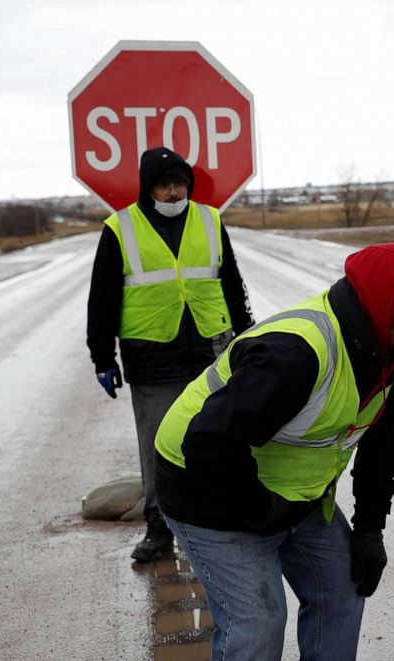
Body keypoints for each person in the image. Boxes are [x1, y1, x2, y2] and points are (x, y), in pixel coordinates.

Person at [154, 243, 394, 661]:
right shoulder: (297, 352)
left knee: (343, 588)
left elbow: (381, 449)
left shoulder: (389, 356)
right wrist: (260, 512)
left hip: (293, 497)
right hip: (207, 489)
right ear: (384, 298)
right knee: (258, 622)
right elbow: (208, 444)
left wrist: (369, 530)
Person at [86, 146, 254, 563]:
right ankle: (159, 530)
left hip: (213, 349)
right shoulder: (120, 228)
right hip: (152, 356)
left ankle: (216, 525)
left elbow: (232, 283)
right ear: (148, 189)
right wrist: (102, 357)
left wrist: (249, 338)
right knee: (159, 446)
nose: (174, 192)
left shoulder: (210, 220)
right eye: (164, 185)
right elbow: (102, 298)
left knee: (219, 439)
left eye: (179, 183)